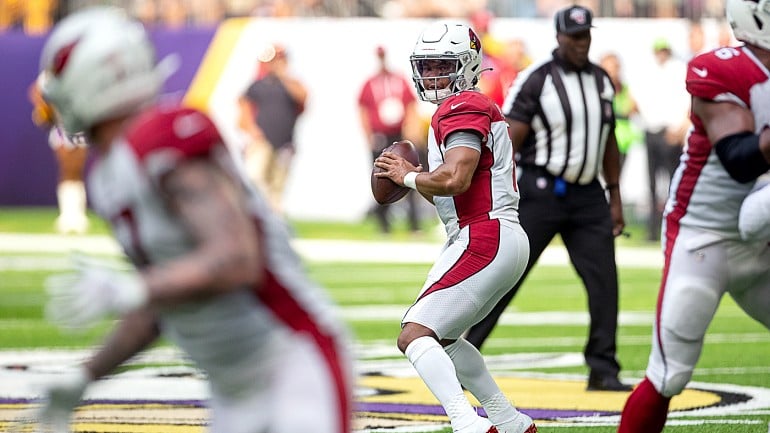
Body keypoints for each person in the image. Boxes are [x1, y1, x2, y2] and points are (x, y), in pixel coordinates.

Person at [34, 7, 352, 433]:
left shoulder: (161, 138)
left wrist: (135, 288)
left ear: (96, 76)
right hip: (230, 388)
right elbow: (164, 297)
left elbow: (238, 258)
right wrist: (84, 375)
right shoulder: (109, 172)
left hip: (292, 363)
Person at [374, 21, 537, 433]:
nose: (432, 75)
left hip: (485, 235)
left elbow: (456, 179)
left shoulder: (461, 106)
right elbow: (451, 192)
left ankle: (468, 424)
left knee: (414, 335)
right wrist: (415, 176)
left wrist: (408, 176)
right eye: (426, 67)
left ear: (467, 65)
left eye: (441, 65)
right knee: (443, 338)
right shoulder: (461, 108)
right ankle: (509, 421)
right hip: (493, 234)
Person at [617, 0, 770, 430]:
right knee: (670, 374)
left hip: (762, 234)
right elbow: (739, 158)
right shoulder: (724, 69)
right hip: (704, 239)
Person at [465, 5, 630, 392]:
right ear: (558, 36)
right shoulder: (537, 79)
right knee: (506, 274)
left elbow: (608, 141)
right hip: (540, 191)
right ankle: (465, 350)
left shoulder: (602, 81)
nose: (580, 43)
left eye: (585, 35)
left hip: (588, 196)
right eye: (574, 36)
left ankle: (603, 368)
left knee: (605, 281)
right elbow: (507, 141)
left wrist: (615, 194)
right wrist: (497, 195)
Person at [237, 43, 307, 214]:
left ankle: (274, 220)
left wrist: (284, 76)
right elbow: (243, 112)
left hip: (284, 141)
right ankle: (259, 216)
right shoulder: (258, 85)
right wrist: (252, 131)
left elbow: (303, 98)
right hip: (262, 142)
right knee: (256, 179)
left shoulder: (291, 84)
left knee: (278, 186)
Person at [357, 45, 421, 234]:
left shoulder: (399, 80)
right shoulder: (370, 83)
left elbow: (410, 106)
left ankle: (413, 223)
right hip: (380, 136)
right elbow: (363, 110)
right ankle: (384, 223)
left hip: (398, 135)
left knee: (409, 177)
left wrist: (412, 131)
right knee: (382, 180)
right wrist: (368, 136)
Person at [635, 37, 689, 242]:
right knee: (651, 184)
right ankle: (653, 230)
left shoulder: (678, 69)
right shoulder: (648, 71)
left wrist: (679, 128)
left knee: (673, 183)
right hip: (652, 130)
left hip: (670, 131)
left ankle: (674, 226)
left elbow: (686, 100)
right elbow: (639, 99)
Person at [28, 74, 90, 235]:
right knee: (66, 169)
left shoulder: (80, 72)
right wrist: (44, 109)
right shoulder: (49, 76)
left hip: (79, 126)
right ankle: (67, 215)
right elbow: (36, 91)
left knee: (77, 168)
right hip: (61, 127)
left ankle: (78, 216)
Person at [599, 52, 643, 172]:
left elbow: (635, 109)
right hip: (603, 143)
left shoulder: (626, 89)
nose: (612, 73)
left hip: (623, 144)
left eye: (615, 68)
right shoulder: (597, 90)